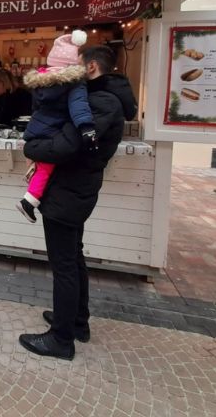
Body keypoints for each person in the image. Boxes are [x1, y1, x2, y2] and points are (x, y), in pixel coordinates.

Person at [17, 44, 138, 361]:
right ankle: (76, 323)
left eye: (76, 65)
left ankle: (61, 340)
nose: (69, 71)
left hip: (69, 191)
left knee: (64, 266)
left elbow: (64, 146)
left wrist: (31, 148)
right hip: (72, 188)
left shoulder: (101, 102)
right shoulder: (98, 97)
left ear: (93, 67)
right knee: (74, 257)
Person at [16, 31, 97, 224]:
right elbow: (79, 106)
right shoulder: (74, 83)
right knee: (46, 167)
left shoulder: (41, 83)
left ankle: (30, 198)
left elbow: (35, 109)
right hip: (54, 130)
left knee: (41, 164)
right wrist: (87, 128)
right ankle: (29, 201)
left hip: (37, 130)